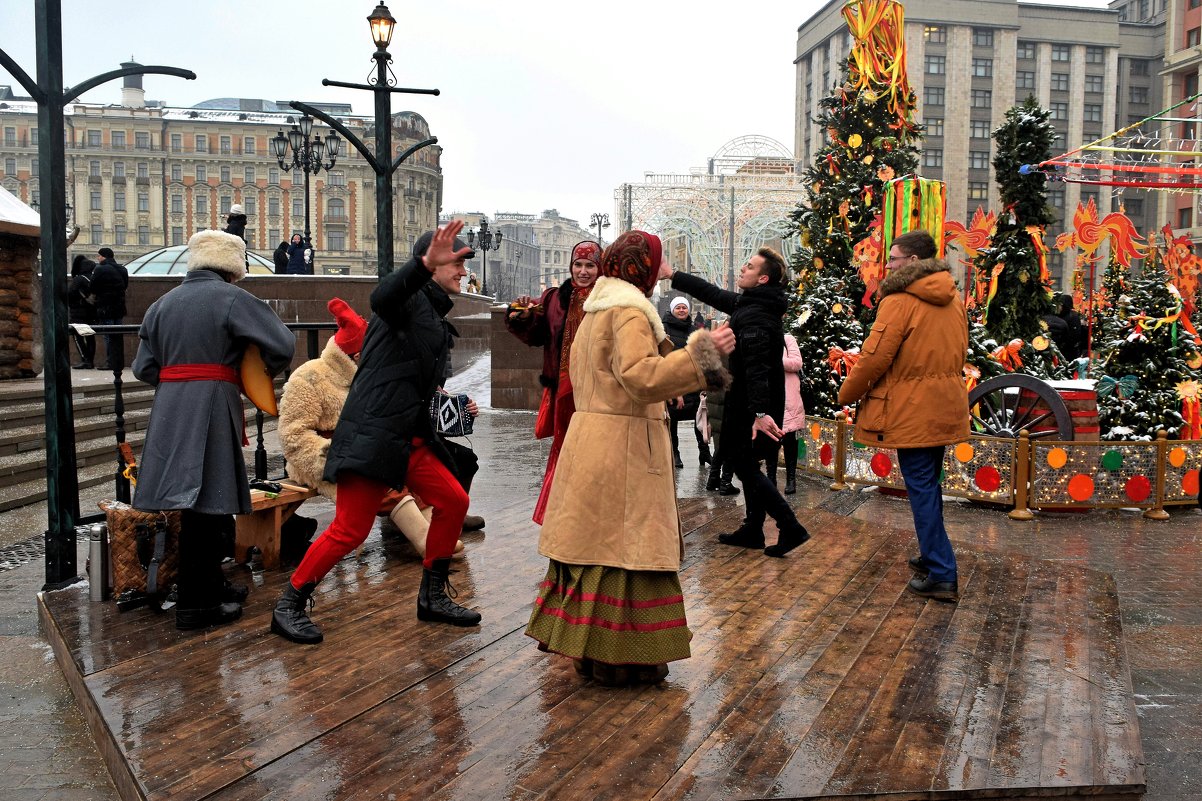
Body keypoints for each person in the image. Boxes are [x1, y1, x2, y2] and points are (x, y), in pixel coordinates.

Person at [525, 230, 735, 685]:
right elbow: (640, 377)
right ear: (641, 269)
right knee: (629, 551)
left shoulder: (599, 307)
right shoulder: (628, 313)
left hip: (593, 444)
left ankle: (592, 653)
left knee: (595, 551)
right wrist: (704, 355)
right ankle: (622, 659)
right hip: (622, 448)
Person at [271, 222, 479, 645]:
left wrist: (450, 410)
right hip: (375, 436)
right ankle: (289, 603)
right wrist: (420, 267)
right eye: (456, 262)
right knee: (351, 530)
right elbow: (383, 296)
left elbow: (417, 384)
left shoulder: (435, 316)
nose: (463, 270)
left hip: (407, 439)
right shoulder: (407, 300)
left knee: (454, 500)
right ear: (432, 263)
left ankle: (432, 595)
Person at [132, 230, 295, 630]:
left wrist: (180, 383)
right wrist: (249, 368)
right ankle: (196, 606)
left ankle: (211, 584)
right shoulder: (234, 299)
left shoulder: (161, 304)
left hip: (171, 404)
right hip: (212, 401)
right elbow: (283, 344)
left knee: (191, 502)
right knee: (206, 503)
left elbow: (143, 369)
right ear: (232, 268)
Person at [837, 229, 969, 602]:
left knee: (921, 488)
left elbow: (875, 356)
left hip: (912, 408)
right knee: (929, 485)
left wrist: (847, 393)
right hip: (944, 403)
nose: (888, 264)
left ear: (912, 261)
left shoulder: (898, 300)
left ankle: (942, 572)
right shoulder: (952, 296)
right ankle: (932, 557)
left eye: (893, 258)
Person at [277, 297, 464, 559]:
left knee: (412, 464)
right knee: (378, 478)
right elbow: (293, 435)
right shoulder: (309, 378)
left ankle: (436, 525)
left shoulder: (372, 377)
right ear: (357, 356)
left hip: (366, 446)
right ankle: (423, 536)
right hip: (324, 454)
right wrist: (333, 456)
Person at [666, 247, 813, 557]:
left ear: (762, 278)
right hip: (748, 404)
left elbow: (759, 369)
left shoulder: (757, 316)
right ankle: (753, 528)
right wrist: (672, 275)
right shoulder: (752, 304)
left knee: (745, 466)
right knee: (749, 465)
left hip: (752, 408)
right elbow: (713, 293)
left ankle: (789, 526)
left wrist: (760, 413)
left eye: (749, 266)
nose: (742, 269)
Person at [504, 240, 601, 524]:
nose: (583, 271)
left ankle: (590, 512)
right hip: (562, 390)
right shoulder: (555, 299)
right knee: (565, 448)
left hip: (596, 392)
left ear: (600, 267)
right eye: (578, 265)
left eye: (590, 265)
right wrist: (521, 317)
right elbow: (536, 335)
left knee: (593, 452)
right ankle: (562, 513)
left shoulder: (608, 300)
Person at [662, 295, 712, 469]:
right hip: (674, 383)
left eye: (684, 308)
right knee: (673, 419)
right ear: (672, 309)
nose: (682, 310)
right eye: (678, 308)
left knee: (700, 416)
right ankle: (675, 453)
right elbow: (663, 359)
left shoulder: (694, 330)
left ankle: (704, 451)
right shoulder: (663, 329)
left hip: (693, 382)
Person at [766, 332, 805, 495]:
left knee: (790, 441)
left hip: (789, 397)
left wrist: (775, 361)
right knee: (770, 440)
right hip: (769, 395)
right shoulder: (761, 339)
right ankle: (770, 479)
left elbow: (797, 363)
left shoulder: (786, 339)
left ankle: (791, 479)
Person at [91, 246, 128, 370]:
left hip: (105, 306)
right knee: (118, 335)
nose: (98, 258)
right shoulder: (122, 269)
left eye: (99, 256)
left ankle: (110, 362)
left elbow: (93, 287)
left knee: (108, 335)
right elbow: (125, 286)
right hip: (119, 306)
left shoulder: (100, 269)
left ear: (104, 256)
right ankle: (119, 362)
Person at [68, 254, 97, 369]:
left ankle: (85, 360)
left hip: (78, 313)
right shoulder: (93, 278)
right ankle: (90, 360)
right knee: (90, 336)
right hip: (91, 311)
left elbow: (71, 294)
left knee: (78, 336)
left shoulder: (79, 279)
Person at [1058, 293, 1086, 361]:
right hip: (1064, 349)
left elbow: (1074, 335)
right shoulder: (1061, 315)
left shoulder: (1073, 316)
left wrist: (1063, 344)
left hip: (1069, 350)